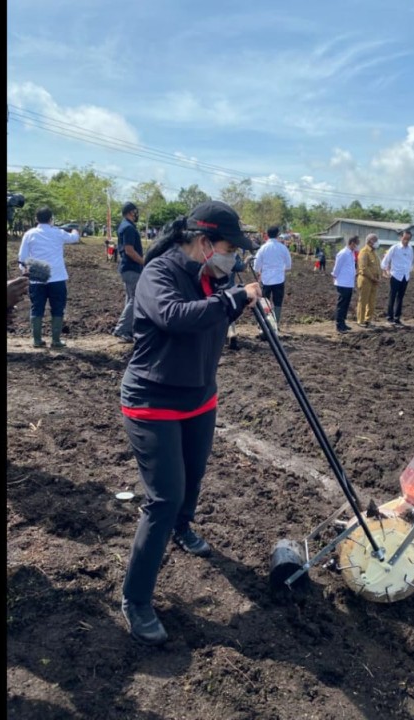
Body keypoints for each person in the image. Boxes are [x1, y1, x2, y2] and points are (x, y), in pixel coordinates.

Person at [118, 200, 261, 646]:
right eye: (227, 248)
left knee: (194, 475)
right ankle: (136, 599)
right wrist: (236, 297)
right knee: (164, 497)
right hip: (152, 400)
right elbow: (176, 318)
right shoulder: (158, 274)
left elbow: (218, 313)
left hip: (199, 396)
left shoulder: (215, 277)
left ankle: (183, 528)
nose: (233, 258)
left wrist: (245, 302)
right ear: (203, 243)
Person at [17, 207, 80, 348]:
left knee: (36, 308)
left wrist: (25, 271)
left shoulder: (29, 234)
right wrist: (75, 229)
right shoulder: (58, 233)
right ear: (51, 218)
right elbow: (75, 238)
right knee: (57, 308)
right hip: (57, 277)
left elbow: (22, 257)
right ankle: (56, 340)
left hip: (37, 277)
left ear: (36, 219)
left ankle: (37, 340)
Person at [112, 202, 144, 343]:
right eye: (135, 211)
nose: (137, 214)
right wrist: (144, 262)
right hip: (132, 268)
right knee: (135, 299)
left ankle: (128, 329)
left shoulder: (125, 226)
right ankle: (122, 329)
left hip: (128, 268)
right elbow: (129, 251)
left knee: (130, 298)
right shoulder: (129, 228)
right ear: (131, 212)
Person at [253, 225, 292, 332]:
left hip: (266, 280)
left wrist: (260, 271)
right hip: (279, 280)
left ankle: (262, 324)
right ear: (278, 234)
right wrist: (280, 270)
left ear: (267, 234)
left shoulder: (263, 248)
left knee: (264, 301)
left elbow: (256, 266)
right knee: (278, 302)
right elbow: (288, 265)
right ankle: (275, 325)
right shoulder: (283, 248)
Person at [381, 227, 414, 326]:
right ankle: (389, 317)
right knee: (392, 296)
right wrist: (385, 270)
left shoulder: (410, 248)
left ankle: (397, 317)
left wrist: (409, 270)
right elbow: (386, 259)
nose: (406, 241)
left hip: (405, 276)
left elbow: (411, 261)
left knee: (400, 297)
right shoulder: (395, 248)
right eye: (405, 238)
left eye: (408, 239)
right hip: (395, 275)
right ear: (401, 237)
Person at [332, 236, 358, 334]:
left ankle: (343, 322)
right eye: (355, 244)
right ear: (351, 243)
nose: (356, 246)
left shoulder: (351, 253)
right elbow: (337, 266)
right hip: (342, 282)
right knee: (341, 304)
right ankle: (339, 324)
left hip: (349, 283)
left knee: (346, 304)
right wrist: (334, 276)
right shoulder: (343, 253)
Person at [355, 233, 381, 326]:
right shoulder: (364, 252)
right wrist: (372, 278)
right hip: (366, 280)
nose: (377, 242)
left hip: (374, 281)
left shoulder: (374, 252)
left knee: (371, 302)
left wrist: (378, 277)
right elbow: (363, 267)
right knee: (363, 300)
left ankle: (368, 320)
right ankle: (360, 320)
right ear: (370, 241)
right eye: (375, 240)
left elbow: (377, 266)